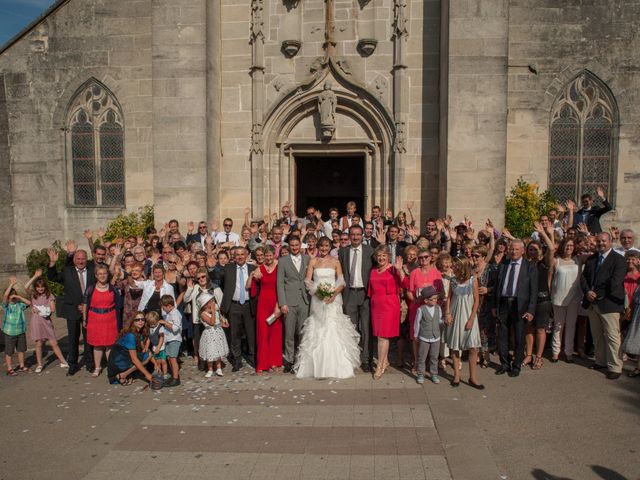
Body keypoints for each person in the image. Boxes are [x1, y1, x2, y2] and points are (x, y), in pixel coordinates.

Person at [295, 237, 360, 379]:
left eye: (326, 246)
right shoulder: (313, 261)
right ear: (318, 247)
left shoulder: (335, 262)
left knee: (333, 327)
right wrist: (318, 293)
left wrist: (333, 295)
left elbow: (341, 281)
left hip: (333, 300)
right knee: (318, 328)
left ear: (330, 246)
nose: (324, 249)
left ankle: (336, 367)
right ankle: (315, 367)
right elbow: (307, 281)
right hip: (318, 300)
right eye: (322, 246)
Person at [580, 232, 626, 379]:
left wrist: (596, 293)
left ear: (610, 241)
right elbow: (583, 278)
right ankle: (600, 361)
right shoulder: (592, 259)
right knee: (597, 335)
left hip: (609, 303)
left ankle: (615, 367)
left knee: (612, 336)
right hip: (593, 303)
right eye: (598, 241)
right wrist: (587, 292)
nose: (601, 244)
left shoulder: (618, 260)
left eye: (603, 241)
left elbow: (615, 282)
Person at [493, 239, 538, 378]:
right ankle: (504, 364)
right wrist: (495, 305)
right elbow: (497, 287)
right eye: (512, 249)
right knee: (503, 337)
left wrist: (531, 310)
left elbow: (533, 291)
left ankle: (516, 365)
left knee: (519, 337)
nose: (514, 251)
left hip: (520, 306)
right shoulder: (503, 265)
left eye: (517, 249)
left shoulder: (530, 267)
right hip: (504, 304)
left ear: (523, 251)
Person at [47, 247, 96, 376]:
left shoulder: (92, 271)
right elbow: (52, 277)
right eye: (78, 259)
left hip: (89, 310)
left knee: (89, 338)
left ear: (87, 259)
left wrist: (86, 306)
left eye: (83, 259)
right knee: (73, 339)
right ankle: (73, 365)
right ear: (74, 260)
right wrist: (52, 263)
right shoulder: (67, 271)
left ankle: (90, 363)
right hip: (73, 310)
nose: (81, 261)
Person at [444, 257, 484, 389]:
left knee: (473, 347)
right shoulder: (453, 281)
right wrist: (448, 313)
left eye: (455, 266)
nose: (453, 267)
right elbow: (449, 297)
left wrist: (472, 319)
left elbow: (477, 300)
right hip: (455, 315)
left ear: (462, 267)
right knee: (455, 347)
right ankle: (456, 375)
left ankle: (473, 377)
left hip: (468, 316)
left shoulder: (473, 280)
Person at [339, 225, 375, 372]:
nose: (355, 237)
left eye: (358, 235)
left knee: (366, 328)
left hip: (365, 294)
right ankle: (352, 359)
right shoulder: (343, 252)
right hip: (349, 294)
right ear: (349, 236)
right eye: (352, 235)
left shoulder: (370, 251)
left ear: (362, 236)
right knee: (351, 329)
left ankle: (366, 360)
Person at [368, 245, 404, 379]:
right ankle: (386, 360)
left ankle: (380, 366)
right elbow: (371, 289)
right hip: (376, 304)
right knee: (379, 335)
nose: (381, 258)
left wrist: (400, 271)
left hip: (389, 305)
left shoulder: (394, 269)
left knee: (383, 336)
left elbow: (405, 284)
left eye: (384, 255)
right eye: (379, 256)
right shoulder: (373, 270)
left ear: (389, 257)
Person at [219, 246, 256, 371]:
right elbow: (221, 282)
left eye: (242, 254)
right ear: (234, 257)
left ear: (246, 255)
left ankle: (252, 357)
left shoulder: (253, 268)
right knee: (234, 334)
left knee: (251, 333)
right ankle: (237, 359)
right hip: (234, 305)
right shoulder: (228, 269)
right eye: (237, 255)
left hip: (248, 304)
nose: (240, 257)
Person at [276, 237, 310, 372]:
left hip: (304, 301)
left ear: (300, 245)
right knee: (289, 333)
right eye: (292, 245)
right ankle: (289, 360)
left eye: (297, 245)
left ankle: (302, 359)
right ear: (289, 246)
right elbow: (280, 283)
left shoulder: (307, 259)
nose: (295, 247)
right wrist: (282, 303)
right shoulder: (283, 261)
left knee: (303, 332)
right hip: (289, 302)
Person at [408, 249, 444, 373]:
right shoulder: (414, 273)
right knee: (416, 336)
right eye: (421, 258)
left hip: (432, 310)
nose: (423, 260)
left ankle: (430, 363)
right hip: (417, 309)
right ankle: (418, 363)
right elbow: (409, 291)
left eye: (426, 257)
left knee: (431, 336)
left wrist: (433, 303)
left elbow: (441, 292)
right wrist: (416, 300)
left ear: (430, 258)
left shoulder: (436, 273)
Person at [249, 245, 283, 375]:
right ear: (262, 256)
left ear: (274, 255)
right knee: (262, 333)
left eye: (270, 255)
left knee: (275, 334)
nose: (268, 258)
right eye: (266, 255)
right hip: (263, 304)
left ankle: (274, 362)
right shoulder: (260, 268)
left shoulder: (279, 267)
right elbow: (252, 289)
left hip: (275, 302)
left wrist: (279, 304)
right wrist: (253, 276)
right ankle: (262, 364)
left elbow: (282, 286)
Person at [24, 270, 67, 372]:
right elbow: (26, 287)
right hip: (36, 322)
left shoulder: (49, 296)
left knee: (54, 343)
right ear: (35, 287)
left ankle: (63, 361)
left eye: (42, 287)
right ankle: (39, 364)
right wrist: (35, 276)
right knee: (39, 343)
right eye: (38, 287)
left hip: (46, 322)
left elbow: (52, 309)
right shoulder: (33, 295)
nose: (40, 289)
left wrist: (42, 310)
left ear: (45, 287)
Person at [549, 237, 584, 364]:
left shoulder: (578, 260)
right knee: (558, 326)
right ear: (562, 246)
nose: (568, 248)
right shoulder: (556, 261)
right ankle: (555, 352)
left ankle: (569, 352)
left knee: (571, 325)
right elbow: (550, 278)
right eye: (566, 245)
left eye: (571, 245)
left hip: (574, 298)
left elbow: (592, 251)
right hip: (558, 298)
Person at [84, 265, 121, 378]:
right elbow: (85, 304)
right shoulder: (90, 288)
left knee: (109, 344)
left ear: (107, 275)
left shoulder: (113, 288)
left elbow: (118, 304)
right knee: (97, 345)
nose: (102, 276)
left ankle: (110, 366)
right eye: (100, 274)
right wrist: (84, 318)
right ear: (96, 275)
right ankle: (97, 367)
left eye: (104, 273)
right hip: (95, 319)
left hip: (110, 319)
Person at [106, 312, 160, 388]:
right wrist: (148, 375)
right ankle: (122, 375)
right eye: (137, 320)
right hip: (117, 362)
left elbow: (144, 351)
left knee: (146, 354)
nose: (140, 321)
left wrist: (155, 364)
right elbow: (134, 359)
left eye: (142, 319)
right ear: (133, 322)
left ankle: (126, 374)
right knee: (145, 357)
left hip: (122, 358)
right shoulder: (131, 335)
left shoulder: (139, 333)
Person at [470, 246, 497, 368]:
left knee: (484, 331)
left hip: (486, 304)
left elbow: (498, 286)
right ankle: (477, 354)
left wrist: (488, 289)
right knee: (474, 330)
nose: (474, 258)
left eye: (477, 256)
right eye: (473, 255)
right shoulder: (470, 269)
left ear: (484, 256)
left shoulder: (491, 269)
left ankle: (485, 355)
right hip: (472, 303)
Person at [414, 286, 444, 385]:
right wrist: (415, 334)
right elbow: (417, 323)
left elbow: (439, 320)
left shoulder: (438, 308)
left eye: (436, 298)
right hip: (424, 337)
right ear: (426, 300)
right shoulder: (421, 309)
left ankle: (434, 374)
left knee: (434, 357)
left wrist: (445, 321)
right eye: (433, 299)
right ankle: (420, 374)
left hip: (436, 337)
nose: (436, 300)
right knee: (422, 357)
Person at [2, 277, 30, 376]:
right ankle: (10, 368)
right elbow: (5, 297)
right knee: (9, 351)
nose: (12, 297)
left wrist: (19, 297)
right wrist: (11, 285)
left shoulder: (19, 304)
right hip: (10, 332)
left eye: (13, 295)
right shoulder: (6, 306)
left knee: (21, 350)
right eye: (11, 296)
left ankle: (22, 365)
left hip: (21, 331)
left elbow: (29, 303)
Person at [197, 292, 229, 378]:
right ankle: (210, 369)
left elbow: (217, 322)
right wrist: (214, 311)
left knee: (217, 350)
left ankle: (218, 368)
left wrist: (223, 324)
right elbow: (212, 322)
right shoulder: (203, 314)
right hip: (209, 335)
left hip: (218, 333)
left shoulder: (215, 312)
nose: (213, 304)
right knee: (210, 351)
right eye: (211, 302)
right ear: (205, 304)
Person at [160, 295, 183, 386]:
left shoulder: (175, 313)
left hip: (175, 339)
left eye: (164, 307)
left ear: (169, 306)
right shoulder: (169, 313)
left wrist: (165, 322)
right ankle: (173, 375)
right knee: (169, 358)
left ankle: (176, 378)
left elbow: (175, 328)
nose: (163, 309)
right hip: (169, 339)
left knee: (173, 359)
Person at [622, 276, 640, 377]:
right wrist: (630, 310)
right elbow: (633, 300)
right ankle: (638, 367)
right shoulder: (638, 286)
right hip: (637, 316)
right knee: (638, 342)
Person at [146, 311, 167, 380]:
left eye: (153, 324)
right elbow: (149, 338)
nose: (152, 325)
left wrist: (158, 348)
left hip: (161, 348)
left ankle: (165, 374)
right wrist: (146, 347)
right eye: (150, 324)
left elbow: (161, 338)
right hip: (154, 348)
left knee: (163, 361)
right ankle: (159, 374)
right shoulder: (150, 329)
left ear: (157, 321)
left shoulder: (160, 327)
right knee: (157, 362)